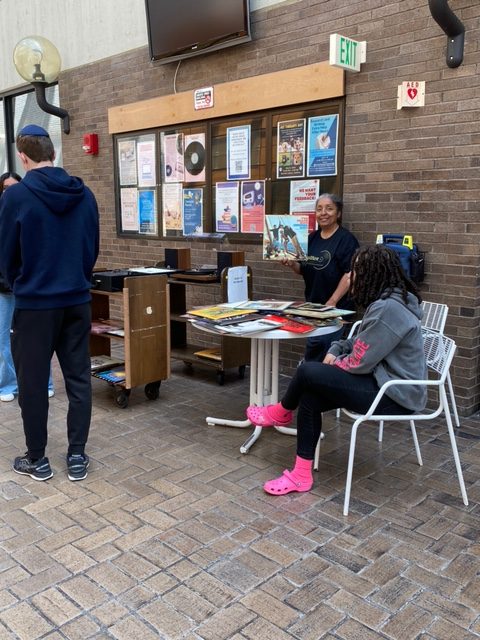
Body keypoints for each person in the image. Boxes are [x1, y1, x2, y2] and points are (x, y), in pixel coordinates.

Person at [246, 245, 427, 496]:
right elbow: (360, 341)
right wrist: (336, 349)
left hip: (396, 394)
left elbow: (360, 361)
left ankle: (281, 411)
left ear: (372, 273)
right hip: (381, 381)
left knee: (308, 372)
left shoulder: (390, 309)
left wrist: (334, 365)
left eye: (356, 270)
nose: (351, 275)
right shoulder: (388, 300)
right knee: (310, 397)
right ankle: (300, 475)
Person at [0, 125, 99, 481]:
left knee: (32, 381)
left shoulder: (15, 197)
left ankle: (37, 459)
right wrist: (75, 279)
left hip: (35, 305)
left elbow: (6, 256)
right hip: (76, 300)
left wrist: (21, 284)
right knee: (78, 380)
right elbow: (91, 249)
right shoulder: (84, 194)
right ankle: (76, 456)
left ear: (23, 157)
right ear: (54, 153)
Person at [282, 194, 359, 361]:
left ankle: (313, 382)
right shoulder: (311, 238)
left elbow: (350, 274)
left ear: (338, 213)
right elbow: (303, 269)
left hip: (336, 310)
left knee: (325, 354)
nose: (323, 213)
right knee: (315, 350)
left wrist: (332, 301)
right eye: (319, 209)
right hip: (313, 308)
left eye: (329, 208)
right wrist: (291, 264)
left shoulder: (346, 240)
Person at [0, 172, 55, 402]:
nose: (10, 192)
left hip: (30, 289)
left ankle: (45, 383)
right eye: (6, 188)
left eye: (14, 187)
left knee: (38, 339)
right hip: (5, 289)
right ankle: (8, 385)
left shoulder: (33, 213)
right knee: (4, 340)